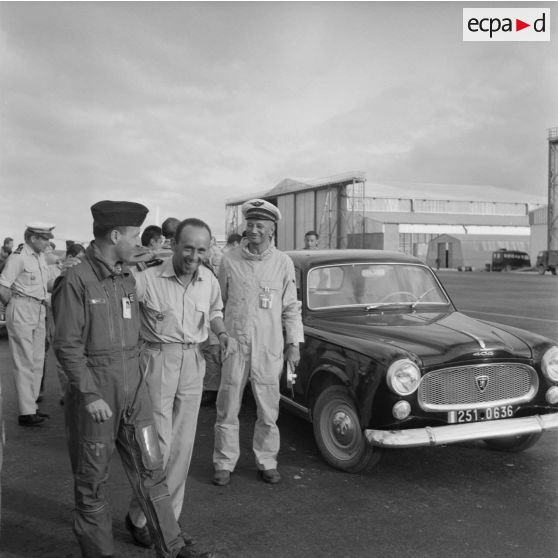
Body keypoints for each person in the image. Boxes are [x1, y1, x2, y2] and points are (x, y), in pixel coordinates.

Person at [52, 201, 213, 558]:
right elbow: (66, 345)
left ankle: (171, 547)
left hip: (134, 392)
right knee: (92, 482)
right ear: (114, 235)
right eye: (134, 234)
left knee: (151, 470)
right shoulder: (75, 281)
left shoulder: (126, 278)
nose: (139, 240)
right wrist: (90, 394)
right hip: (97, 396)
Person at [127, 218, 232, 546]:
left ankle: (159, 521)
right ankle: (144, 517)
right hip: (157, 360)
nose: (193, 255)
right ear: (174, 245)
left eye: (201, 249)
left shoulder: (208, 280)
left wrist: (222, 332)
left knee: (183, 448)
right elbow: (123, 311)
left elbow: (215, 310)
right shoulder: (147, 278)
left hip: (193, 362)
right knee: (157, 447)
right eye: (188, 247)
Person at [213, 198, 304, 486]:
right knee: (227, 406)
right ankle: (224, 463)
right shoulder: (229, 261)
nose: (252, 230)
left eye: (258, 225)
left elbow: (291, 307)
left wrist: (294, 343)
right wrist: (217, 340)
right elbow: (218, 305)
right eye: (249, 224)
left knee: (268, 409)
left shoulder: (282, 263)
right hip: (235, 346)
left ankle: (267, 460)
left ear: (271, 229)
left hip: (268, 348)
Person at [0, 222, 55, 426]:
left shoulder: (39, 257)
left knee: (37, 359)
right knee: (24, 360)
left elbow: (47, 284)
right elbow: (3, 286)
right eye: (45, 239)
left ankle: (31, 405)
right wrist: (14, 304)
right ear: (33, 238)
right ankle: (26, 412)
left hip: (39, 309)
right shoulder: (18, 257)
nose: (49, 242)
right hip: (22, 307)